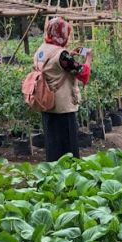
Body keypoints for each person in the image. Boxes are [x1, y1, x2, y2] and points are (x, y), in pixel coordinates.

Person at [35, 17, 92, 162]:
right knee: (68, 148)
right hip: (63, 107)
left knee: (53, 144)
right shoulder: (61, 55)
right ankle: (69, 179)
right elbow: (82, 73)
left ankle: (53, 177)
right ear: (63, 34)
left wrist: (69, 55)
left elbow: (54, 67)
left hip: (47, 103)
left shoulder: (40, 50)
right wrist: (89, 58)